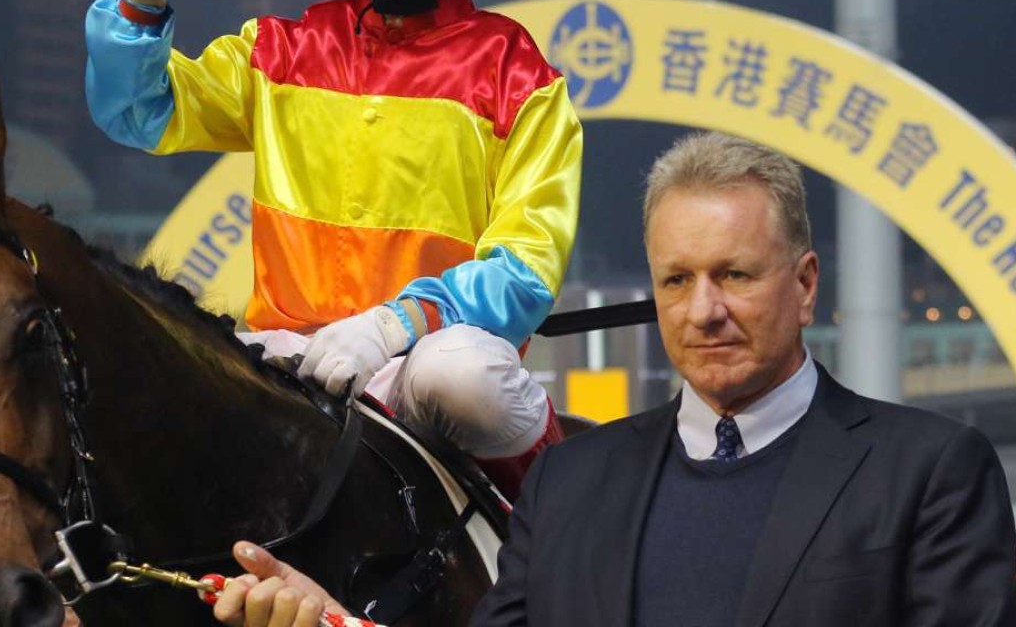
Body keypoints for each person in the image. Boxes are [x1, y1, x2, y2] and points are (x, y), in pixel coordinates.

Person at [210, 131, 1016, 626]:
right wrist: (330, 624)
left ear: (805, 285)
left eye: (734, 275)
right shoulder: (570, 480)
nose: (704, 312)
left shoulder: (931, 472)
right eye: (676, 280)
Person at [84, 0, 581, 499]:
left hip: (428, 371)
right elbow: (137, 111)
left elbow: (524, 273)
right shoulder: (278, 52)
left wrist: (393, 325)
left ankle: (560, 534)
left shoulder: (519, 77)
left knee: (460, 377)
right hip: (289, 368)